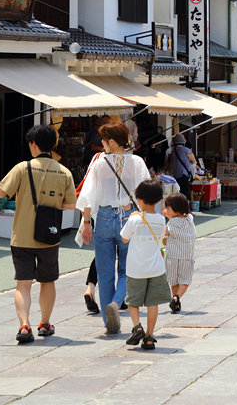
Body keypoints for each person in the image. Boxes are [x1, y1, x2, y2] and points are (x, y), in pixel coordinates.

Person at [0, 124, 76, 343]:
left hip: (23, 236)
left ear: (33, 144)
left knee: (23, 283)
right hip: (49, 236)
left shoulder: (22, 168)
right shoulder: (64, 172)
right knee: (48, 282)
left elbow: (0, 191)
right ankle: (45, 324)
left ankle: (24, 326)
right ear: (53, 145)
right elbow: (70, 206)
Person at [77, 121, 150, 334]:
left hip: (104, 218)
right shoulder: (136, 162)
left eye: (103, 140)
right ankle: (117, 303)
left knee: (105, 271)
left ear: (111, 141)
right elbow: (147, 193)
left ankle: (108, 322)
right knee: (128, 269)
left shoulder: (99, 163)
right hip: (129, 218)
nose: (101, 144)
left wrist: (87, 224)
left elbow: (88, 197)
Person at [120, 178, 171, 350]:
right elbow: (164, 235)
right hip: (156, 268)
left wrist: (132, 217)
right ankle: (149, 337)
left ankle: (137, 327)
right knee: (152, 302)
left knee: (132, 300)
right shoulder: (160, 219)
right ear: (158, 200)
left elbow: (124, 238)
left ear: (139, 200)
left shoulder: (134, 219)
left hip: (136, 268)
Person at [162, 192, 196, 313]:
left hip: (172, 256)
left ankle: (175, 298)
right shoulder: (190, 219)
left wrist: (167, 218)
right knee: (185, 280)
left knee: (173, 280)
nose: (166, 210)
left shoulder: (172, 223)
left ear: (176, 209)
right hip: (187, 256)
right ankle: (177, 299)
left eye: (168, 208)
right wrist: (170, 216)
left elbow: (165, 233)